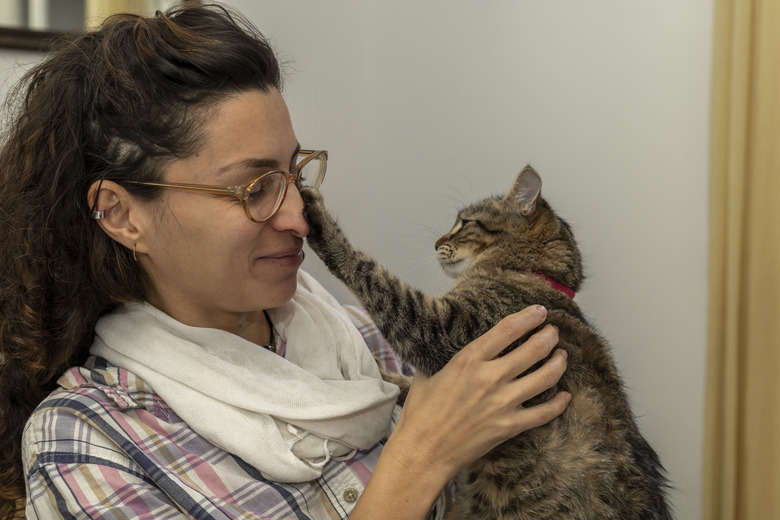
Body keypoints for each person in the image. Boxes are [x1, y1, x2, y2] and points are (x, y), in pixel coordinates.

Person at [0, 4, 570, 519]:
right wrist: (422, 454)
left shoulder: (367, 341)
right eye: (253, 187)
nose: (299, 217)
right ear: (122, 214)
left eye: (294, 174)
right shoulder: (87, 442)